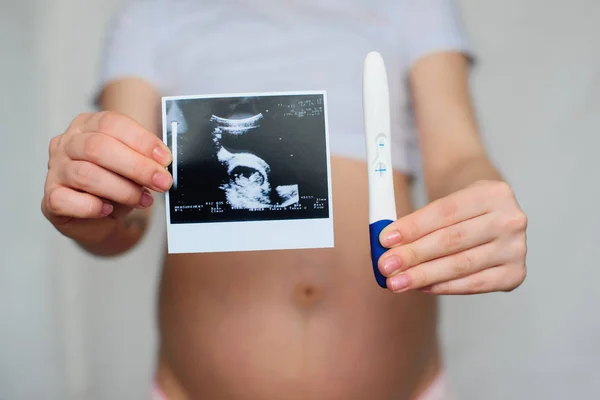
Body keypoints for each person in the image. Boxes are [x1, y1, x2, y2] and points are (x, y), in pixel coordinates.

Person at [41, 0, 528, 398]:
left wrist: (481, 207)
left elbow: (457, 159)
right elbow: (124, 217)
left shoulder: (411, 7)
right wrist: (92, 208)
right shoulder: (150, 18)